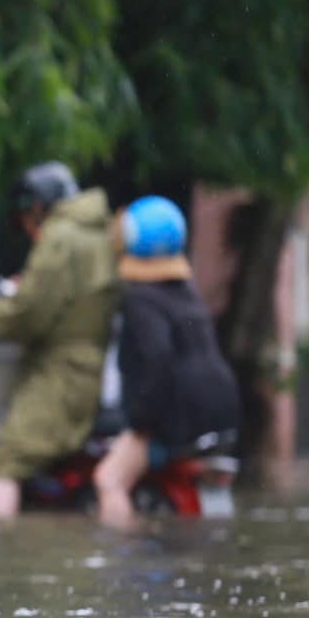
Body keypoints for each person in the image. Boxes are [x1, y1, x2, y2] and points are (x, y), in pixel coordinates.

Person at [0, 161, 118, 517]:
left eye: (26, 214)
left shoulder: (61, 236)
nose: (26, 226)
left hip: (60, 375)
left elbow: (27, 317)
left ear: (38, 206)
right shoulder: (94, 232)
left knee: (6, 459)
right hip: (85, 372)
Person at [93, 196, 240, 528]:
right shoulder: (185, 292)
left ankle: (119, 558)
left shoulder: (139, 300)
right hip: (221, 411)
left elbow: (155, 362)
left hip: (175, 418)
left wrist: (139, 421)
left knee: (108, 480)